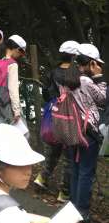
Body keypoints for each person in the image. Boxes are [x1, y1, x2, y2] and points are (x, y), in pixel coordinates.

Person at [34, 40, 79, 202]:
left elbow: (46, 93)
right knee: (69, 157)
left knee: (52, 151)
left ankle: (42, 178)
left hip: (53, 114)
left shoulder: (53, 72)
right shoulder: (76, 74)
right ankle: (64, 192)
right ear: (74, 56)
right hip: (69, 118)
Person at [70, 44, 107, 223]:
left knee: (76, 169)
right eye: (96, 63)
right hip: (87, 131)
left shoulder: (69, 77)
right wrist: (99, 76)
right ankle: (82, 215)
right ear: (91, 63)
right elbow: (102, 98)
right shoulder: (85, 80)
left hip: (72, 129)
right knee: (86, 172)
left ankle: (73, 210)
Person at [0, 35, 26, 125]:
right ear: (17, 49)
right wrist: (16, 110)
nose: (21, 55)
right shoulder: (12, 64)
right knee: (21, 131)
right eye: (21, 52)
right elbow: (13, 89)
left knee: (3, 131)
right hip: (8, 104)